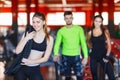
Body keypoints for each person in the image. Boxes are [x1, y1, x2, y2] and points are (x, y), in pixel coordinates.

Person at [14, 12, 53, 80]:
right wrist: (26, 38)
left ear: (43, 22)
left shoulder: (49, 39)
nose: (35, 24)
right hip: (22, 67)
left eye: (38, 22)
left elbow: (45, 58)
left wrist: (31, 62)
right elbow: (17, 51)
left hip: (35, 68)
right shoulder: (27, 34)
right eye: (33, 22)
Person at [53, 11, 88, 80]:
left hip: (76, 56)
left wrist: (86, 57)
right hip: (65, 56)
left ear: (72, 18)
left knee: (79, 76)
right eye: (66, 18)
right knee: (67, 77)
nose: (68, 19)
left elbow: (83, 43)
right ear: (64, 19)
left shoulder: (79, 29)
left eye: (70, 18)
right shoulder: (61, 31)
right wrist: (55, 54)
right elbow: (57, 44)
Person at [87, 15, 115, 80]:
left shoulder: (105, 31)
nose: (97, 23)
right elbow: (88, 41)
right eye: (96, 21)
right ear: (93, 21)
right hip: (94, 56)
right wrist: (91, 48)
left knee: (111, 74)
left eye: (99, 22)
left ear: (101, 22)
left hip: (103, 55)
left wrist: (107, 56)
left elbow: (109, 45)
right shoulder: (90, 32)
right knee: (94, 75)